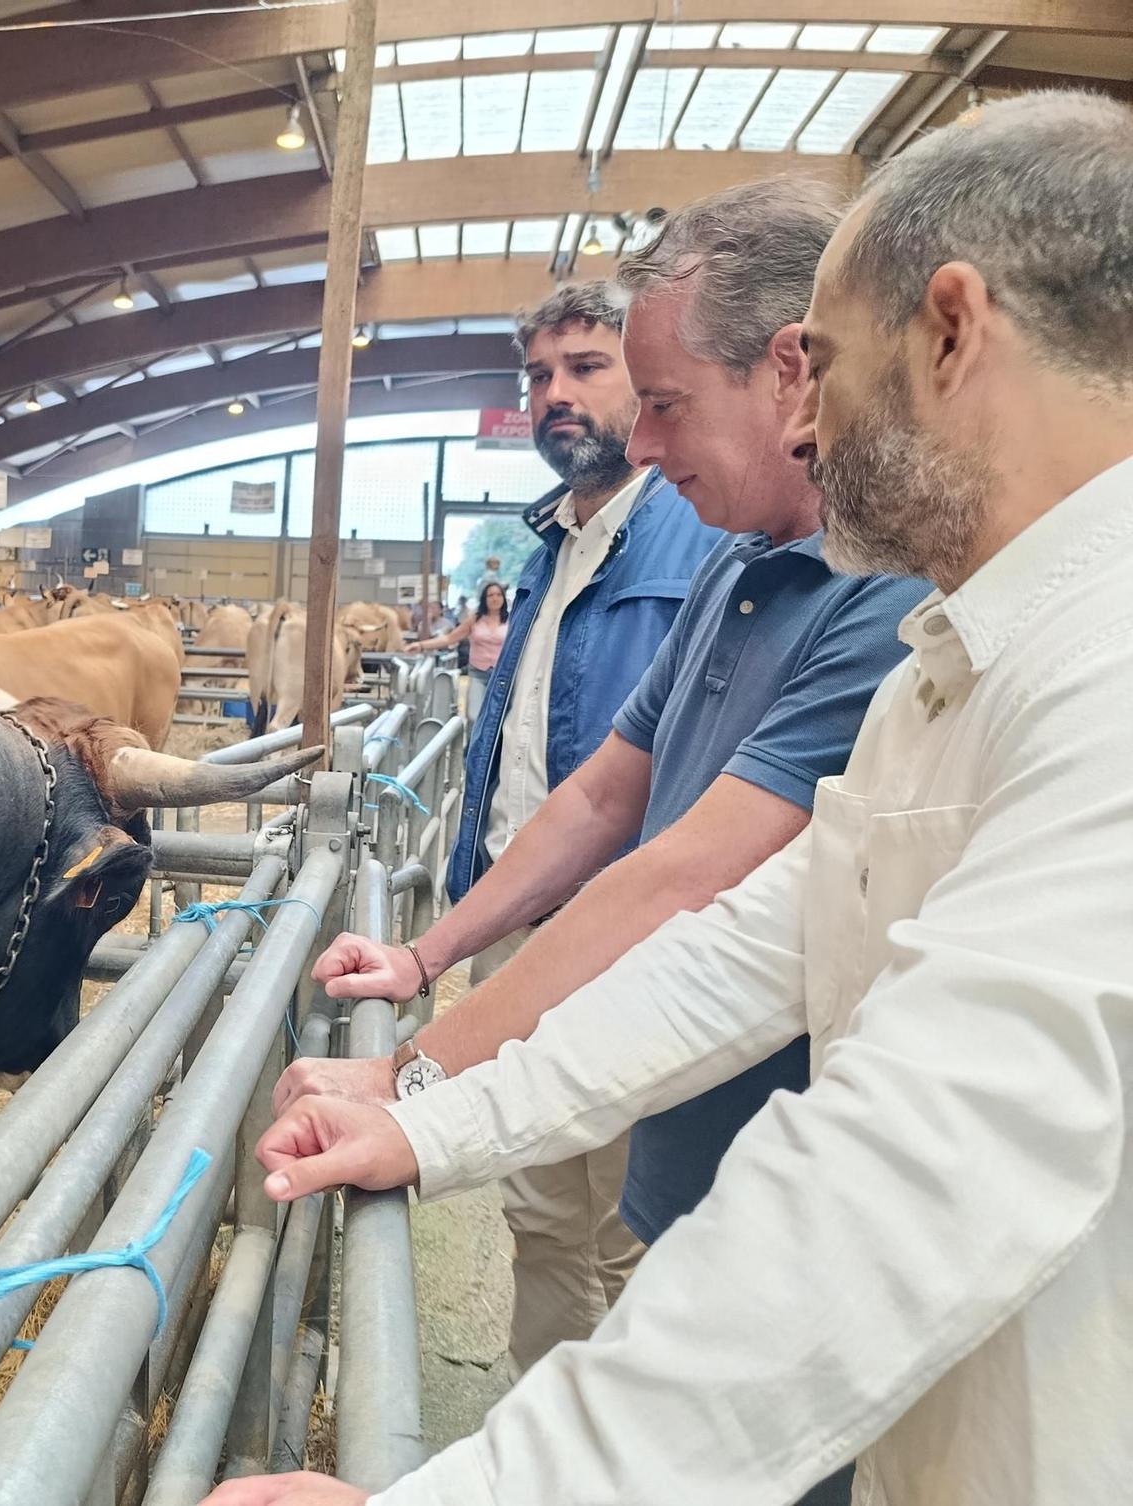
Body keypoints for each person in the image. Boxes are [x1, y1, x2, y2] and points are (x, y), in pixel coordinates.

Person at [207, 90, 1133, 1506]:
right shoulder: (958, 662)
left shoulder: (1107, 666)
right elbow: (743, 948)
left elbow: (916, 1164)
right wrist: (438, 1117)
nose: (803, 417)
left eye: (822, 361)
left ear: (952, 332)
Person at [290, 178, 936, 1443]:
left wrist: (419, 1075)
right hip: (674, 1107)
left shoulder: (882, 598)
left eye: (660, 401)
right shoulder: (739, 565)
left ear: (794, 372)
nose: (641, 445)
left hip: (781, 1157)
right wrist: (430, 970)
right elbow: (605, 797)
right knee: (598, 1299)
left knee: (687, 1384)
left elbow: (682, 881)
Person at [386, 279, 725, 1380]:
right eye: (536, 376)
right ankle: (537, 1439)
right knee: (539, 1208)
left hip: (636, 933)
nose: (553, 396)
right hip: (520, 916)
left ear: (647, 381)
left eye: (584, 368)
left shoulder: (697, 536)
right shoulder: (549, 548)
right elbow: (541, 770)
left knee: (636, 1226)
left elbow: (620, 793)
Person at [408, 581, 509, 721]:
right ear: (484, 599)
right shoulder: (475, 619)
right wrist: (421, 645)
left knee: (499, 718)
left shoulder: (512, 620)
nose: (495, 598)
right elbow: (449, 638)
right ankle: (473, 742)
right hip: (478, 674)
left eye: (498, 595)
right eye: (490, 595)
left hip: (502, 675)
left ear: (503, 598)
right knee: (474, 716)